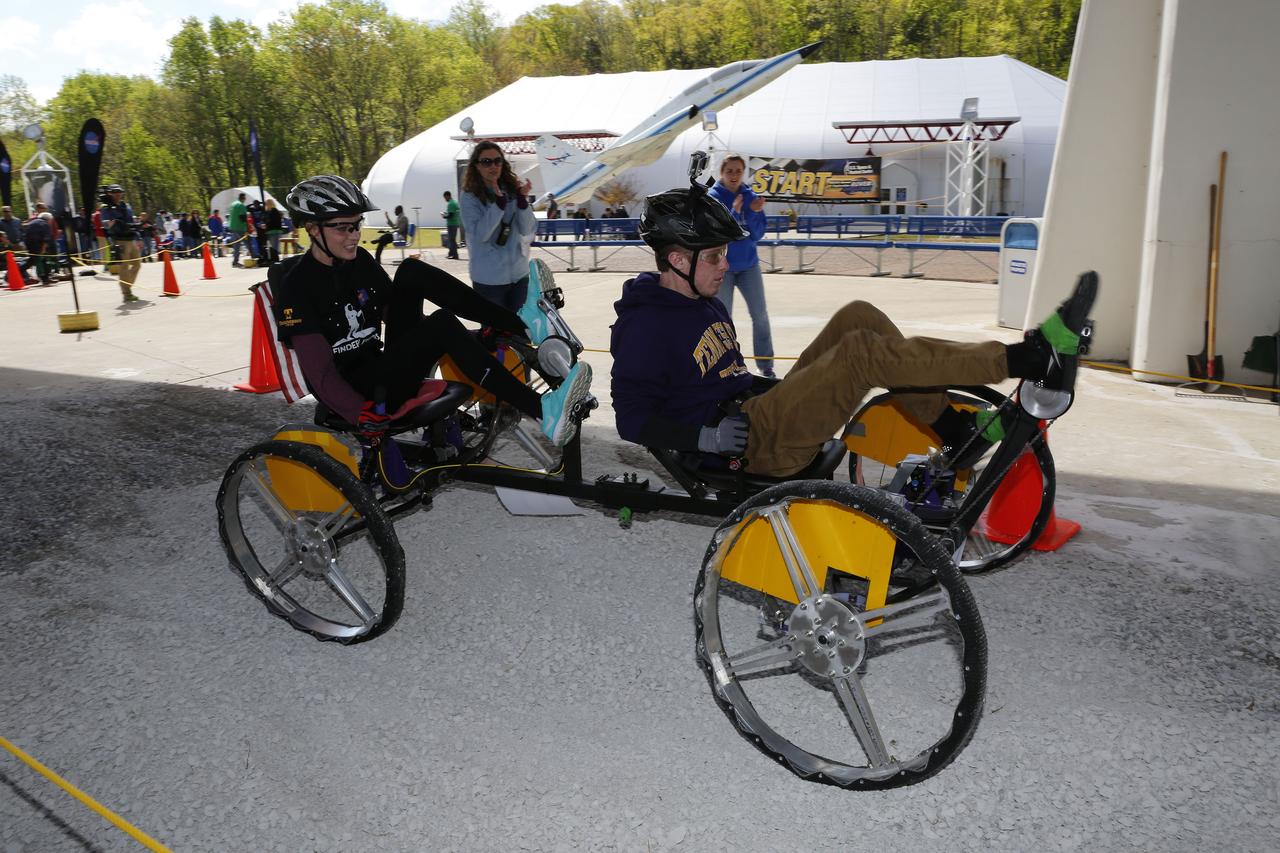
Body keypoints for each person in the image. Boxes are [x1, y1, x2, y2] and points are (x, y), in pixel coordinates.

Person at [609, 183, 1097, 478]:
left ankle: (955, 431)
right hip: (748, 445)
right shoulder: (646, 325)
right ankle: (1025, 357)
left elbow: (724, 376)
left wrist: (779, 389)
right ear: (676, 259)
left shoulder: (700, 299)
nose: (724, 265)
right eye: (714, 257)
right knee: (862, 352)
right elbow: (631, 419)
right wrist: (708, 439)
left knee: (858, 315)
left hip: (759, 407)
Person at [272, 175, 592, 447]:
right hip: (363, 390)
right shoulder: (295, 287)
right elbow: (321, 374)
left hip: (385, 366)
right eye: (343, 228)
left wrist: (474, 338)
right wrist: (359, 413)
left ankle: (521, 323)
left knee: (412, 272)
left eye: (356, 225)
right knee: (441, 324)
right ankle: (542, 412)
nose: (354, 235)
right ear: (313, 229)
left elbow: (401, 318)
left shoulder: (360, 262)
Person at [708, 154, 774, 378]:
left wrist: (754, 213)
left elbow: (756, 235)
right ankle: (726, 364)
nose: (734, 175)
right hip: (721, 267)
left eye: (738, 171)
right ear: (721, 173)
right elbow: (717, 233)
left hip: (749, 266)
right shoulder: (713, 197)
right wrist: (736, 212)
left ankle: (766, 365)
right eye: (730, 171)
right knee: (722, 319)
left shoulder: (750, 196)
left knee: (760, 315)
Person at [459, 142, 535, 312]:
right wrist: (498, 206)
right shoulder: (469, 197)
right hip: (489, 281)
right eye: (486, 162)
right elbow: (479, 235)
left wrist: (522, 202)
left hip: (518, 275)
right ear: (477, 166)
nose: (493, 166)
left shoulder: (512, 189)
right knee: (494, 334)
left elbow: (528, 229)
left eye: (497, 161)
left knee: (522, 332)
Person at [98, 185, 141, 302]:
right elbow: (105, 224)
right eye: (114, 192)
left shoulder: (126, 206)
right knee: (124, 267)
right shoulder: (107, 208)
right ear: (109, 194)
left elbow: (132, 222)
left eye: (119, 192)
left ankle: (127, 286)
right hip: (120, 240)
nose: (117, 194)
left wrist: (138, 237)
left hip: (131, 239)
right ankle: (126, 293)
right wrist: (110, 223)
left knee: (137, 264)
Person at [228, 192, 249, 267]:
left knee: (236, 245)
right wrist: (247, 226)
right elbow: (242, 217)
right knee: (248, 243)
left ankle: (235, 262)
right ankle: (255, 257)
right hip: (240, 228)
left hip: (232, 227)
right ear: (243, 198)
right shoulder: (241, 205)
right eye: (245, 198)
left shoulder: (233, 204)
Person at [263, 199, 284, 265]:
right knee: (274, 247)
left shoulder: (273, 211)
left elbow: (272, 221)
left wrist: (265, 225)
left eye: (266, 204)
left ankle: (275, 260)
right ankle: (275, 260)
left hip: (273, 231)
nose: (266, 205)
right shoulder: (274, 211)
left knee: (274, 247)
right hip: (275, 231)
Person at [441, 191, 460, 259]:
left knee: (452, 240)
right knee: (451, 240)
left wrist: (444, 216)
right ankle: (451, 253)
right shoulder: (454, 202)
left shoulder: (451, 204)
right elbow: (452, 213)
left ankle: (455, 255)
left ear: (447, 196)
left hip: (452, 224)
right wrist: (446, 214)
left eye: (445, 197)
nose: (445, 199)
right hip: (455, 223)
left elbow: (450, 215)